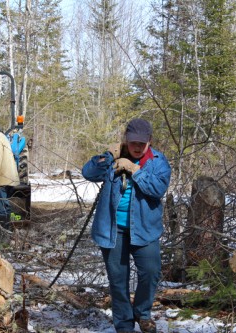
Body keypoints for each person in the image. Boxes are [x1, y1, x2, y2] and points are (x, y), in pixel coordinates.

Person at [82, 118, 171, 333]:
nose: (137, 147)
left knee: (150, 272)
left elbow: (157, 189)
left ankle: (142, 313)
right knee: (117, 280)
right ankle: (124, 325)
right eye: (133, 143)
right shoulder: (113, 156)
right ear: (126, 140)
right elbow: (88, 173)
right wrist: (105, 158)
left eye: (142, 143)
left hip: (145, 229)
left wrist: (134, 170)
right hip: (112, 230)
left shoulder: (158, 161)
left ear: (150, 141)